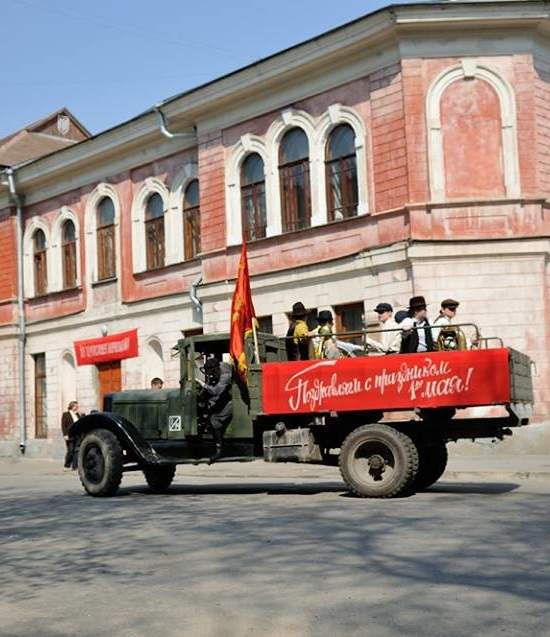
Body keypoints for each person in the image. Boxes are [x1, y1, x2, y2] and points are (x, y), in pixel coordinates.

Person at [196, 357, 233, 462]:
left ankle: (219, 450)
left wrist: (203, 384)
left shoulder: (225, 375)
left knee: (214, 419)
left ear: (215, 369)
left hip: (233, 402)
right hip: (226, 398)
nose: (209, 374)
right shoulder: (220, 367)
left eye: (210, 372)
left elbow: (216, 391)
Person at [61, 400, 82, 470]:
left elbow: (81, 422)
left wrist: (82, 415)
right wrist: (65, 434)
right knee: (70, 450)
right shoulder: (66, 414)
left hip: (77, 435)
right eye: (76, 406)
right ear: (72, 406)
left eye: (77, 406)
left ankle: (75, 466)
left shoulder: (77, 414)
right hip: (69, 435)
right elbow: (63, 425)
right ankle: (66, 465)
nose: (77, 407)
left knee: (77, 450)